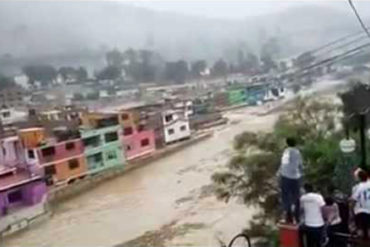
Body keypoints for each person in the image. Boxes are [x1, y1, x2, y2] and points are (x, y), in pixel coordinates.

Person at [277, 137, 303, 223]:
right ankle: (297, 217)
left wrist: (280, 174)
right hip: (296, 177)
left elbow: (284, 164)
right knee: (296, 197)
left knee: (286, 197)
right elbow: (300, 165)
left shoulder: (287, 151)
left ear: (287, 143)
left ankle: (288, 217)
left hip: (286, 177)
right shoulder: (297, 152)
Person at [351, 169, 370, 240]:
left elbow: (354, 199)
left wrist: (351, 211)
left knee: (362, 231)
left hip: (361, 210)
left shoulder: (358, 187)